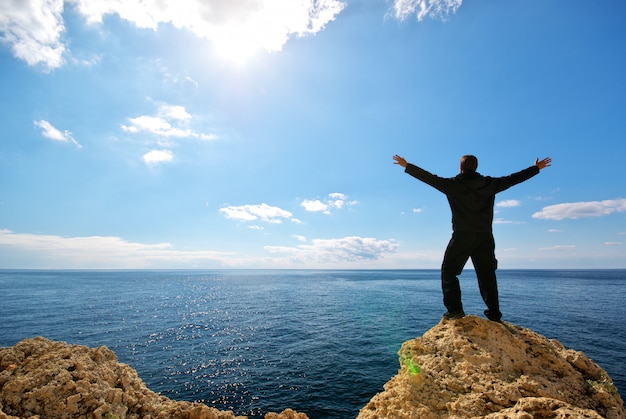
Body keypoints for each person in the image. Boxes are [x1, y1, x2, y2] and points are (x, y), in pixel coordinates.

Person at [393, 154, 552, 321]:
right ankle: (494, 314)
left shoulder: (452, 185)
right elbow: (514, 179)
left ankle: (455, 311)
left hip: (462, 235)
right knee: (487, 275)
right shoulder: (490, 184)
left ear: (460, 167)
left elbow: (429, 178)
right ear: (476, 167)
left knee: (449, 272)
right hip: (485, 237)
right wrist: (536, 168)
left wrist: (407, 165)